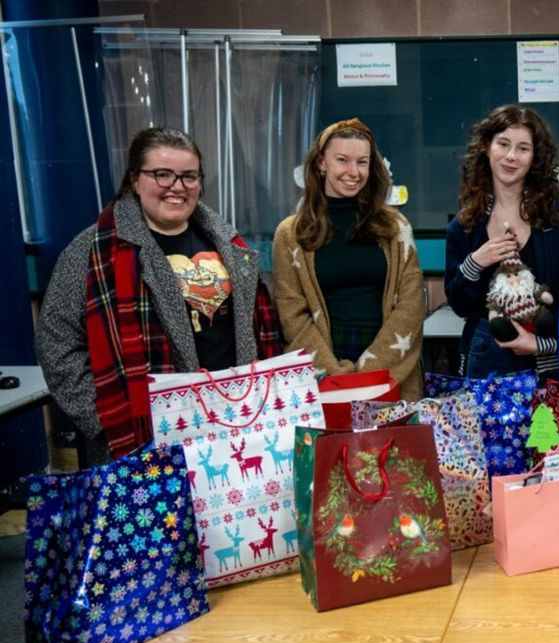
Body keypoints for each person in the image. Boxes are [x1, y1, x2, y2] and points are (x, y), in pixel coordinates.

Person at [36, 127, 281, 464]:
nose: (177, 187)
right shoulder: (91, 253)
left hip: (232, 426)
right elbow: (56, 345)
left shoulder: (229, 243)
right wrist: (105, 419)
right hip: (141, 442)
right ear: (135, 180)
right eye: (162, 174)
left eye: (189, 176)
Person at [273, 118, 425, 400]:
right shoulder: (290, 234)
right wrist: (335, 374)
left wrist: (371, 370)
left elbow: (412, 303)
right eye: (342, 160)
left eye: (362, 162)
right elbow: (291, 313)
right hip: (322, 368)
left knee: (394, 445)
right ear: (321, 163)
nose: (353, 172)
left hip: (390, 364)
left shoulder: (396, 226)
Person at [444, 105, 559, 379]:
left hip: (545, 357)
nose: (510, 156)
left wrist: (543, 345)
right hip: (486, 354)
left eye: (522, 148)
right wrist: (476, 262)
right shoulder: (465, 224)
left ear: (535, 157)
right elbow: (458, 304)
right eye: (503, 144)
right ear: (486, 147)